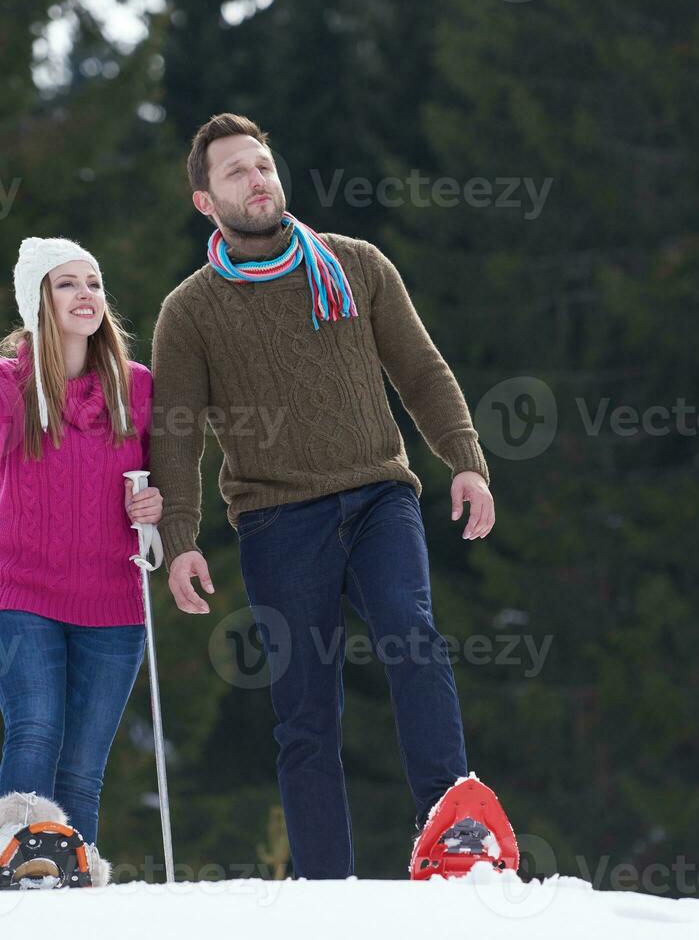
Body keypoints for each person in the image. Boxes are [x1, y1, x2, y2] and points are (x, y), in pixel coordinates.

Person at [149, 113, 497, 879]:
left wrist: (463, 458)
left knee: (411, 633)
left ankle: (454, 837)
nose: (256, 178)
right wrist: (179, 543)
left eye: (262, 164)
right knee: (305, 712)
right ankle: (323, 890)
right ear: (206, 202)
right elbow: (175, 436)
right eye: (235, 171)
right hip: (275, 521)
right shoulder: (190, 311)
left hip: (378, 494)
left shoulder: (355, 264)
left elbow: (421, 370)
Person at [0, 237, 163, 886]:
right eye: (67, 283)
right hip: (18, 588)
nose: (85, 295)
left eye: (93, 282)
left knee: (83, 766)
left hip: (112, 598)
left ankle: (66, 890)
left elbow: (163, 480)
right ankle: (23, 867)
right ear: (37, 300)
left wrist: (158, 504)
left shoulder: (137, 388)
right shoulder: (2, 381)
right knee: (35, 726)